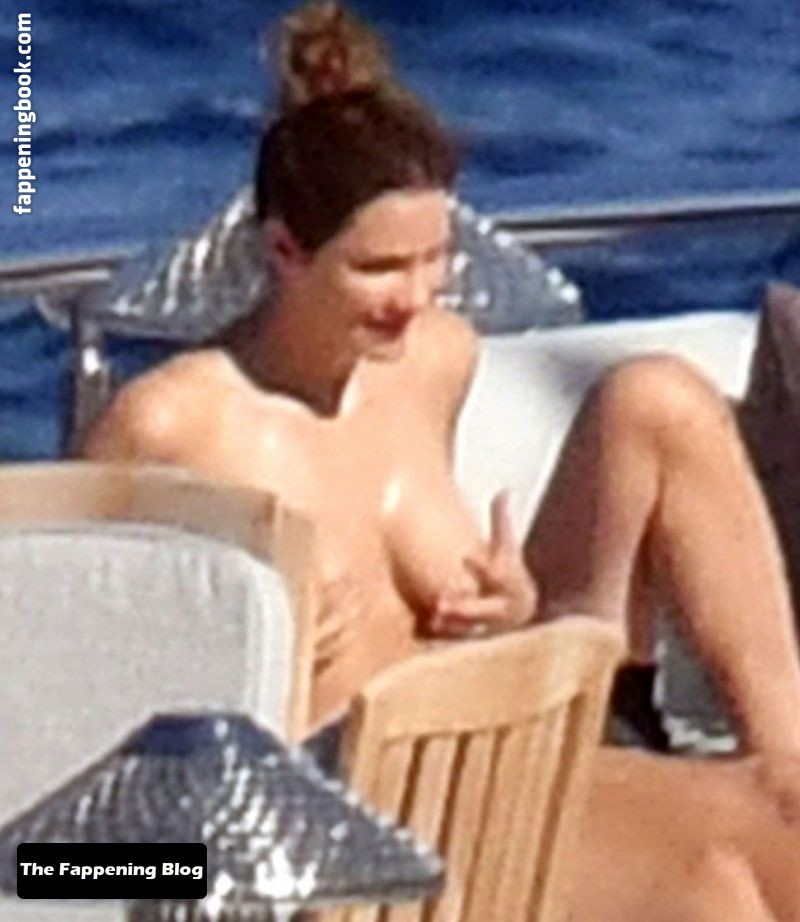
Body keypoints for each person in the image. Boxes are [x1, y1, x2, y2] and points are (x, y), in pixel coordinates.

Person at [82, 3, 800, 917]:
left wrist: (512, 603)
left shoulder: (432, 362)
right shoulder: (170, 428)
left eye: (435, 260)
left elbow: (476, 616)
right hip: (355, 824)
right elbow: (78, 781)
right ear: (284, 250)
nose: (416, 297)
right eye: (380, 269)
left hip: (500, 743)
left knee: (780, 800)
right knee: (714, 886)